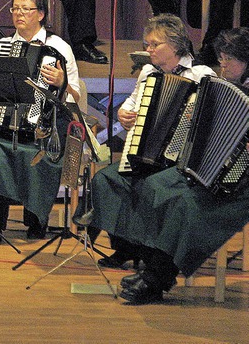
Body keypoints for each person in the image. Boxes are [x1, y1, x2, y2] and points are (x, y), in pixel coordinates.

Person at [86, 15, 226, 304]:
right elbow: (132, 105)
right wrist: (125, 114)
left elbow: (209, 124)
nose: (148, 50)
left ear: (175, 44)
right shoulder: (148, 72)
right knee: (106, 179)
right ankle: (129, 247)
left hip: (181, 163)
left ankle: (154, 268)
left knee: (152, 189)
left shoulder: (201, 75)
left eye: (154, 44)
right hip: (147, 154)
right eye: (146, 44)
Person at [0, 0, 81, 246]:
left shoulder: (58, 48)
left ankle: (36, 220)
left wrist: (62, 81)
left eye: (26, 9)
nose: (19, 14)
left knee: (36, 154)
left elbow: (75, 97)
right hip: (7, 125)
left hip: (45, 128)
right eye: (15, 8)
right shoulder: (2, 47)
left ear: (41, 14)